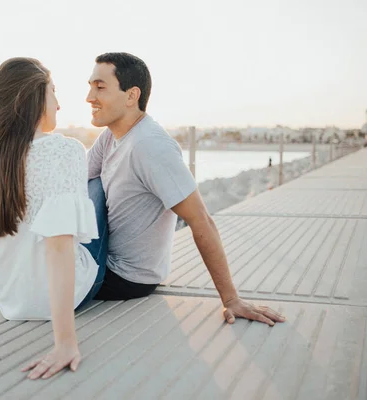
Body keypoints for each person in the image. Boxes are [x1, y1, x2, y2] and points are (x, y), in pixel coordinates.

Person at [85, 52, 286, 326]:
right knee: (83, 184)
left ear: (132, 96)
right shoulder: (111, 137)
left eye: (100, 87)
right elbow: (74, 182)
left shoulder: (151, 146)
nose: (89, 97)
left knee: (33, 269)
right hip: (105, 256)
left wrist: (230, 299)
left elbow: (200, 218)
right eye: (90, 87)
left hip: (124, 278)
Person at [0, 58, 108, 380]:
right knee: (98, 187)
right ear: (35, 96)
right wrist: (65, 342)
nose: (60, 104)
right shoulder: (64, 150)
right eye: (54, 92)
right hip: (63, 298)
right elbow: (59, 246)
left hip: (10, 300)